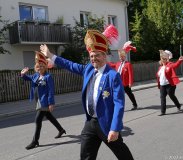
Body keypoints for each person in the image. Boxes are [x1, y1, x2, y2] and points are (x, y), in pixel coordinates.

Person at [40, 25, 134, 160]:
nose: (93, 58)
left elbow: (119, 104)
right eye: (91, 56)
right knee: (86, 156)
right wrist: (50, 55)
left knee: (122, 154)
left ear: (104, 56)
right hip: (90, 123)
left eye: (97, 56)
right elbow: (70, 65)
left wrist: (115, 128)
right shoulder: (88, 69)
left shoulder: (112, 75)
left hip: (106, 124)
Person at [20, 52, 66, 150]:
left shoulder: (48, 77)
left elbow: (50, 90)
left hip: (44, 102)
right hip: (38, 101)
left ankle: (35, 141)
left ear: (45, 66)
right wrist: (23, 74)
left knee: (38, 120)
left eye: (42, 66)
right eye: (38, 66)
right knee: (49, 116)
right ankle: (61, 130)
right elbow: (27, 78)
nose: (40, 68)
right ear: (36, 67)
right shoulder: (36, 76)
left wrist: (51, 103)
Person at [109, 41, 138, 110]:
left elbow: (131, 74)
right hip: (118, 83)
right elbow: (111, 65)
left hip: (125, 83)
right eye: (120, 57)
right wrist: (104, 61)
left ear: (124, 57)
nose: (121, 58)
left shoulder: (128, 64)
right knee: (117, 95)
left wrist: (130, 83)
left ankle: (135, 104)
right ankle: (118, 107)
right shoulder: (118, 64)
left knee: (129, 94)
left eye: (122, 57)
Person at [156, 50, 183, 115]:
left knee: (171, 95)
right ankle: (163, 111)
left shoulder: (170, 65)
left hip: (170, 84)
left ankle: (178, 105)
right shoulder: (160, 67)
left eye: (164, 59)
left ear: (167, 59)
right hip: (162, 85)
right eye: (162, 58)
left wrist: (179, 60)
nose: (163, 60)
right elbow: (159, 77)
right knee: (162, 97)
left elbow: (175, 65)